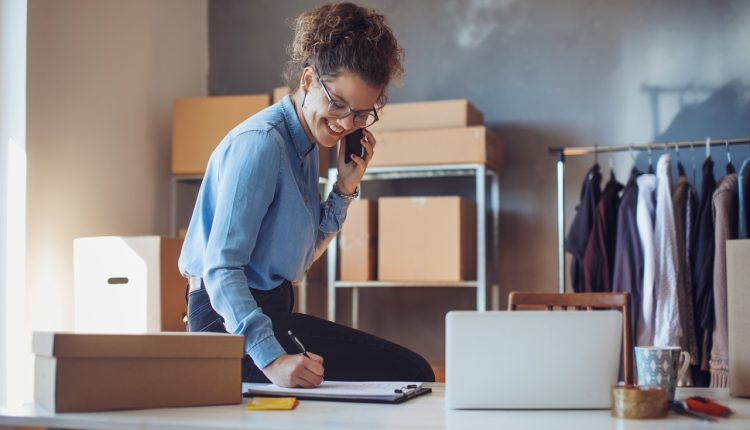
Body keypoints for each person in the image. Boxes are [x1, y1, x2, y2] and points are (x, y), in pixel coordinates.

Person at [178, 2, 435, 388]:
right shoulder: (262, 144)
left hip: (269, 312)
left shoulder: (307, 146)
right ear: (309, 80)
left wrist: (344, 189)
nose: (346, 123)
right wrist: (272, 359)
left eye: (362, 113)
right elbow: (221, 269)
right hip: (226, 325)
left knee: (410, 373)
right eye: (338, 104)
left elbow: (301, 255)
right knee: (408, 373)